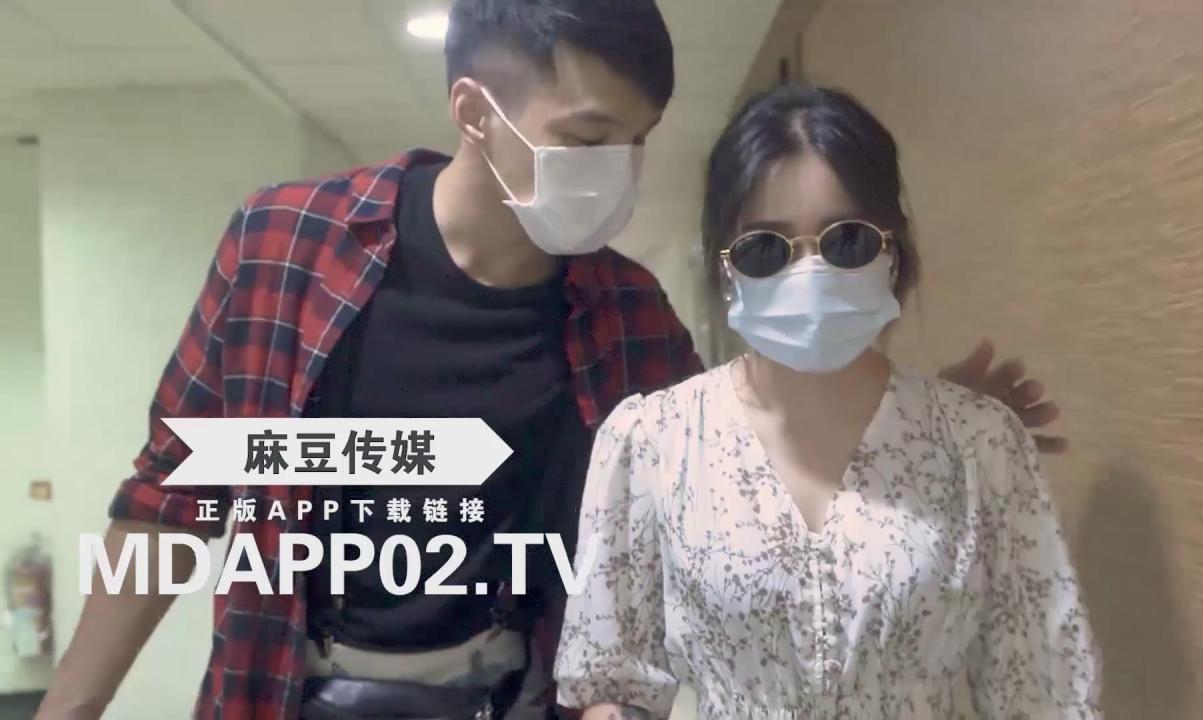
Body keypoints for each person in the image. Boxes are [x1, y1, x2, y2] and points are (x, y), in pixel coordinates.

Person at [37, 3, 1067, 719]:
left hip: (511, 695)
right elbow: (177, 492)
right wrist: (72, 707)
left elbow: (733, 459)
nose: (620, 169)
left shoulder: (625, 312)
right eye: (588, 135)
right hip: (286, 688)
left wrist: (903, 420)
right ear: (474, 114)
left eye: (639, 137)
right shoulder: (286, 245)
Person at [554, 84, 1101, 719]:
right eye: (766, 247)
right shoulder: (651, 441)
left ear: (892, 250)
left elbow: (1043, 691)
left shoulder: (980, 441)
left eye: (847, 241)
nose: (809, 273)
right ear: (726, 266)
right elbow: (611, 680)